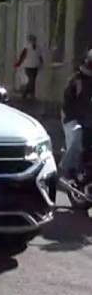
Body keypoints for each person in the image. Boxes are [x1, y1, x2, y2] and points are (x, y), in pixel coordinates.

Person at [60, 48, 92, 190]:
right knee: (77, 135)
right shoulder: (76, 80)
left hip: (89, 120)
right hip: (74, 118)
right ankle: (64, 171)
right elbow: (68, 104)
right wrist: (81, 116)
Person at [15, 34, 43, 100]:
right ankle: (26, 92)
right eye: (31, 40)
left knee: (33, 80)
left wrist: (41, 63)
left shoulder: (38, 48)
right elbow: (22, 56)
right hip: (28, 66)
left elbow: (39, 56)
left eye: (33, 40)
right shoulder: (27, 48)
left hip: (35, 66)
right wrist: (18, 63)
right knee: (31, 80)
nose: (33, 41)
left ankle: (31, 93)